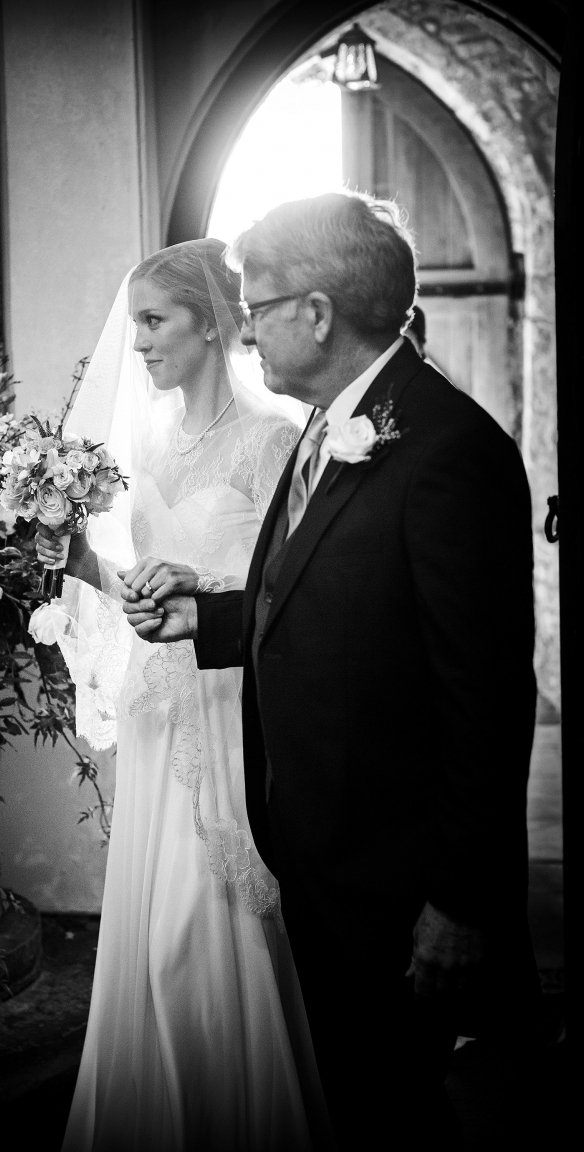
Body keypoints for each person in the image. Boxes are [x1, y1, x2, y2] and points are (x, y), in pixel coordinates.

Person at [122, 193, 541, 1150]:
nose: (247, 329)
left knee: (401, 1115)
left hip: (397, 876)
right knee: (352, 1100)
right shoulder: (326, 423)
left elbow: (485, 700)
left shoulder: (447, 449)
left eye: (258, 307)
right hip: (320, 855)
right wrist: (209, 617)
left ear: (316, 314)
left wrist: (462, 902)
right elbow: (330, 604)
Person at [35, 238, 331, 1151]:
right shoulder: (151, 443)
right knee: (150, 933)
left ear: (210, 323)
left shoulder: (274, 440)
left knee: (195, 937)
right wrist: (84, 564)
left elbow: (286, 593)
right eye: (136, 324)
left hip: (227, 709)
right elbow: (145, 588)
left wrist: (200, 593)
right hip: (158, 711)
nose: (140, 343)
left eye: (155, 321)